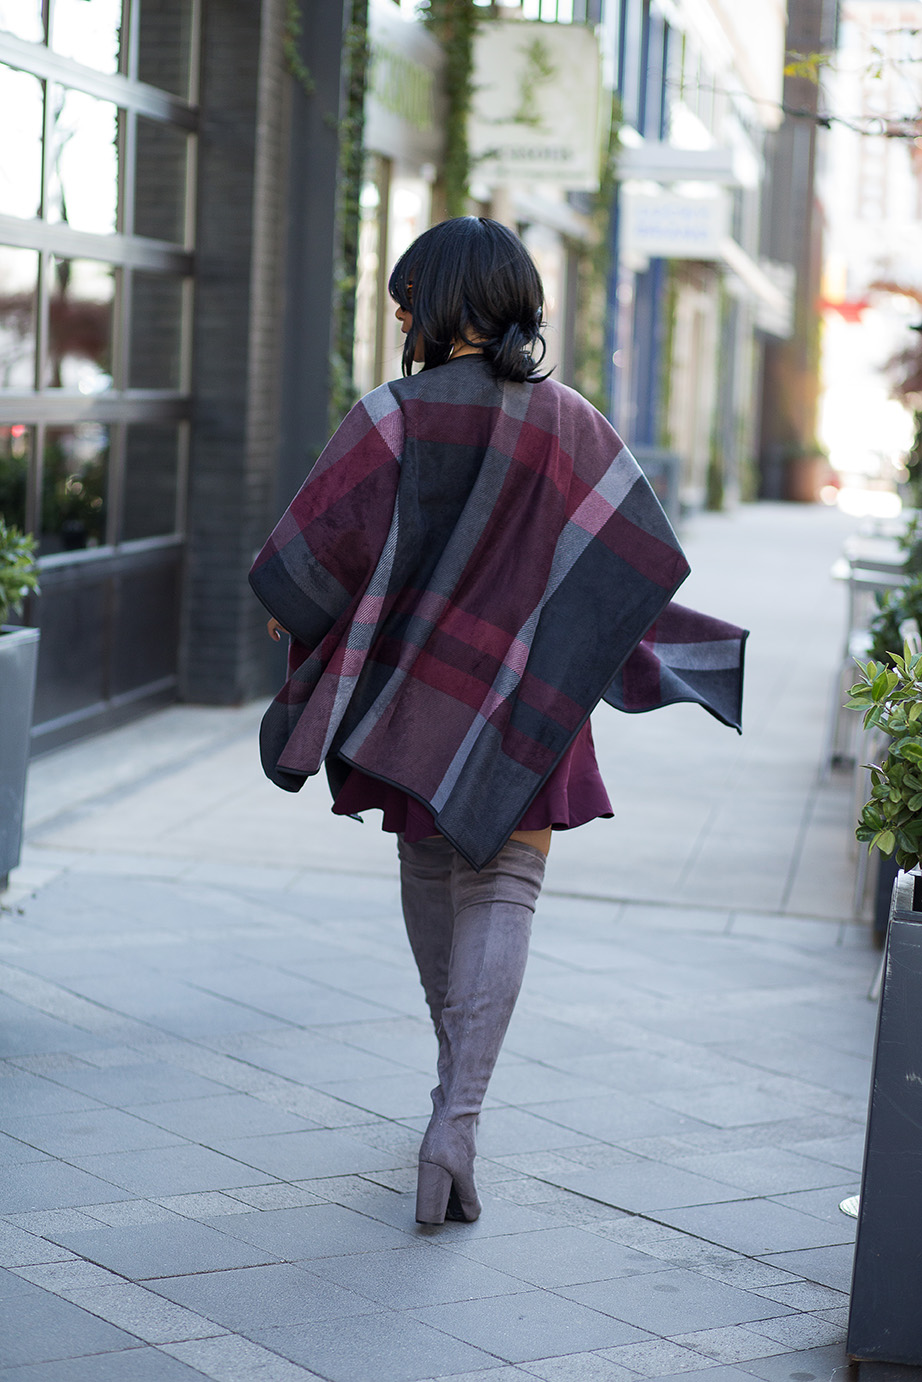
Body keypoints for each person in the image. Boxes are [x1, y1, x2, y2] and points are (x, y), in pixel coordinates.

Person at [250, 216, 746, 1225]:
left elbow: (300, 565)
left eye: (405, 297)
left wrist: (303, 612)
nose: (397, 314)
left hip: (410, 700)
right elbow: (632, 554)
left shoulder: (390, 417)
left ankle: (448, 1098)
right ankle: (456, 1119)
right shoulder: (570, 422)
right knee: (505, 884)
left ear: (439, 304)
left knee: (430, 866)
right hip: (523, 697)